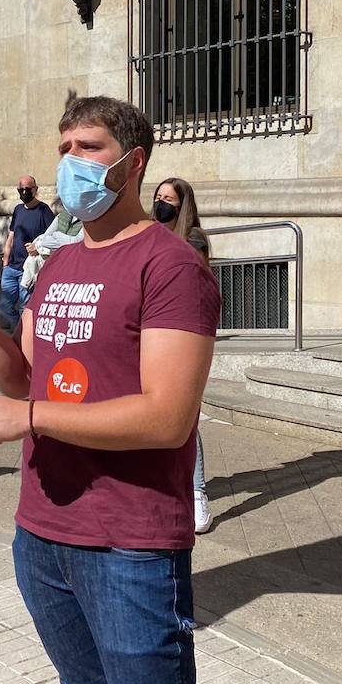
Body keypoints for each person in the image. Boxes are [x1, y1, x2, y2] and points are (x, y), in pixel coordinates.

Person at [0, 96, 221, 684]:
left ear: (132, 163)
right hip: (43, 536)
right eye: (64, 149)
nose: (70, 162)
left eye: (88, 147)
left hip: (129, 544)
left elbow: (168, 417)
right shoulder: (57, 263)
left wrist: (30, 418)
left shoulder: (171, 266)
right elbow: (20, 372)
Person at [153, 177, 214, 535]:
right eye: (157, 197)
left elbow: (195, 287)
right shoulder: (148, 235)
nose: (160, 204)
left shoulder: (193, 239)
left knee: (186, 415)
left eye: (168, 199)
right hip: (155, 337)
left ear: (183, 205)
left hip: (185, 338)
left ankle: (197, 492)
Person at [0, 175, 55, 329]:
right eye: (21, 189)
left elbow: (53, 237)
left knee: (26, 306)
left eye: (28, 189)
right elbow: (11, 236)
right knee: (4, 307)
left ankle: (25, 337)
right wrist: (5, 261)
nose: (24, 192)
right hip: (11, 267)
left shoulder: (44, 211)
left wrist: (38, 247)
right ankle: (20, 331)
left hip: (29, 269)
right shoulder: (18, 210)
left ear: (35, 190)